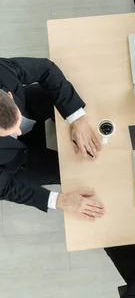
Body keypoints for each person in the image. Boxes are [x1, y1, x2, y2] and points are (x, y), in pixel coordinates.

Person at [0, 57, 105, 219]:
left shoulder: (3, 72)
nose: (18, 132)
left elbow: (45, 69)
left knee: (59, 99)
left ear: (9, 95)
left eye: (16, 124)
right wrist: (59, 200)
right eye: (9, 132)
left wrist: (77, 119)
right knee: (73, 174)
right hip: (10, 165)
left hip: (29, 108)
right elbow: (4, 188)